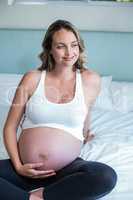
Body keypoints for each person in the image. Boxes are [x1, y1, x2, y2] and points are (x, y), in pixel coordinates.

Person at [0, 19, 117, 200]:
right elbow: (9, 127)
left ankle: (42, 195)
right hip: (24, 170)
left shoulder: (91, 80)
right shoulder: (32, 79)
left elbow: (85, 111)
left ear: (80, 46)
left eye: (74, 45)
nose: (69, 52)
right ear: (50, 49)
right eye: (61, 46)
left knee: (106, 176)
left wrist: (85, 133)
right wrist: (18, 165)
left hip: (65, 172)